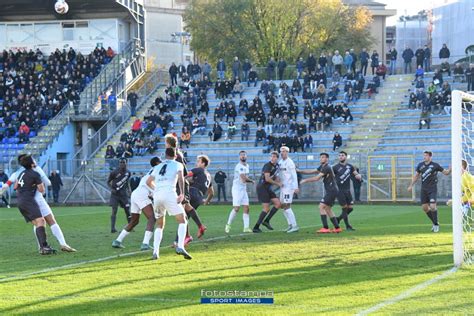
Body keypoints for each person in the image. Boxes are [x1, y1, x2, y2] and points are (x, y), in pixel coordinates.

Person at [2, 154, 76, 252]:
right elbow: (48, 183)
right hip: (36, 198)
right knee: (50, 221)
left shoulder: (17, 174)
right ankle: (62, 244)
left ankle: (41, 246)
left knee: (38, 223)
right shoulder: (36, 170)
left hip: (24, 199)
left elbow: (11, 186)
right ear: (31, 163)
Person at [147, 147, 192, 260]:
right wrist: (181, 193)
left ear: (165, 155)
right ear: (175, 155)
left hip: (157, 196)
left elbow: (149, 182)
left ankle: (155, 252)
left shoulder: (157, 166)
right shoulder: (178, 164)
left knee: (160, 224)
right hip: (170, 194)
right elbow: (181, 178)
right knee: (183, 220)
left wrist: (156, 190)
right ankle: (180, 246)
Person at [112, 157, 161, 250]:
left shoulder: (152, 170)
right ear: (157, 163)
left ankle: (117, 241)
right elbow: (149, 183)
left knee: (134, 221)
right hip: (142, 194)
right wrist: (156, 192)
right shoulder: (158, 170)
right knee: (152, 218)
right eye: (160, 161)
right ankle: (145, 244)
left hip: (135, 194)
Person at [14, 155, 55, 255]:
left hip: (20, 200)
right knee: (41, 221)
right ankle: (44, 247)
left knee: (39, 223)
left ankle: (43, 247)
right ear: (32, 163)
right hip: (28, 200)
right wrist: (35, 184)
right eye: (33, 160)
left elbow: (15, 187)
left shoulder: (21, 173)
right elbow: (42, 190)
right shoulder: (35, 174)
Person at [407, 151, 451, 232]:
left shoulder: (435, 165)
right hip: (424, 189)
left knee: (433, 206)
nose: (424, 157)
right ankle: (435, 222)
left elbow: (446, 173)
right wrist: (411, 185)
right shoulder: (420, 165)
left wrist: (450, 169)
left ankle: (436, 225)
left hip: (432, 189)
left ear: (430, 157)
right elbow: (416, 176)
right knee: (424, 208)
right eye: (424, 155)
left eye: (426, 156)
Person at [299, 152, 342, 233]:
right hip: (332, 190)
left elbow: (316, 178)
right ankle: (337, 227)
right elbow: (312, 171)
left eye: (323, 157)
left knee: (321, 206)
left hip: (332, 190)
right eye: (321, 157)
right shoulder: (322, 166)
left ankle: (325, 228)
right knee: (328, 208)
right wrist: (299, 171)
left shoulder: (327, 167)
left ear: (327, 159)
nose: (321, 158)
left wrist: (305, 180)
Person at [226, 151, 254, 234]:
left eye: (244, 155)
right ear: (239, 157)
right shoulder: (239, 166)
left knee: (246, 207)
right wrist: (252, 181)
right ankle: (228, 224)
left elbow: (244, 179)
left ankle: (246, 227)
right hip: (237, 189)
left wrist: (248, 181)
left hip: (243, 189)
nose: (243, 156)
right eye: (241, 155)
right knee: (236, 208)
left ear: (246, 156)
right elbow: (243, 178)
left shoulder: (247, 166)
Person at [253, 151, 282, 233]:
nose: (272, 158)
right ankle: (256, 227)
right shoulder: (267, 165)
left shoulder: (276, 166)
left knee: (278, 204)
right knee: (266, 208)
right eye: (271, 156)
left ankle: (266, 221)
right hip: (262, 187)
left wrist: (278, 180)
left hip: (268, 187)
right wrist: (278, 184)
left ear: (277, 158)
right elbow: (267, 179)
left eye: (274, 157)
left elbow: (274, 176)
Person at [333, 152, 362, 230]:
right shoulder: (335, 167)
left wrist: (358, 176)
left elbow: (356, 174)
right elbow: (331, 177)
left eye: (342, 155)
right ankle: (348, 226)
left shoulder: (350, 166)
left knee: (350, 208)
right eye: (339, 155)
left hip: (348, 190)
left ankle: (338, 219)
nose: (340, 157)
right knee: (345, 209)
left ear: (346, 157)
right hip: (340, 191)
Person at [277, 146, 300, 233]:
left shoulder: (290, 162)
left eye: (284, 151)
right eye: (281, 151)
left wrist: (295, 187)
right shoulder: (280, 162)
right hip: (282, 187)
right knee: (282, 206)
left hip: (289, 187)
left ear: (287, 152)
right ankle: (290, 225)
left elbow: (294, 175)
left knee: (287, 205)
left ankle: (295, 226)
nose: (282, 153)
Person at [108, 157, 131, 233]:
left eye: (123, 162)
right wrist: (112, 189)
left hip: (123, 194)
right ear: (119, 163)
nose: (122, 164)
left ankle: (130, 226)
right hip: (115, 194)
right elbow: (108, 182)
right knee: (114, 210)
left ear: (126, 163)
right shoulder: (114, 172)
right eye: (121, 162)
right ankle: (112, 228)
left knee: (127, 210)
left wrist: (129, 190)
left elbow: (127, 182)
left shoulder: (128, 173)